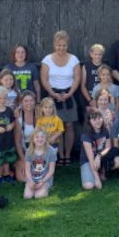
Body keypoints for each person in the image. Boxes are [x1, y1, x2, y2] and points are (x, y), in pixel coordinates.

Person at [40, 30, 81, 166]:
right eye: (58, 45)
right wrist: (52, 93)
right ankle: (59, 154)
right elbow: (44, 79)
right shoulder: (47, 59)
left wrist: (69, 93)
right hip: (53, 96)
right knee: (57, 127)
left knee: (69, 126)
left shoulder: (74, 59)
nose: (61, 48)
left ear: (67, 45)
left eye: (63, 45)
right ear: (54, 45)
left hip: (69, 95)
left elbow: (77, 78)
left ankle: (67, 155)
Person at [80, 109, 113, 190]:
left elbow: (108, 146)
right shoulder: (86, 135)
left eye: (99, 118)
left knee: (117, 161)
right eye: (94, 119)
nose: (97, 121)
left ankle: (102, 171)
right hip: (88, 161)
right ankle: (96, 174)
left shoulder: (105, 130)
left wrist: (99, 156)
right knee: (88, 186)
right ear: (89, 121)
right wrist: (96, 178)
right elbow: (91, 158)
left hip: (101, 158)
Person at [23, 129, 57, 200]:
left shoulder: (51, 152)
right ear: (33, 139)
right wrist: (30, 181)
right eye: (37, 137)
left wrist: (42, 181)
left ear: (46, 139)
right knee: (27, 196)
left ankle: (46, 188)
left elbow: (51, 171)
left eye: (42, 137)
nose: (40, 139)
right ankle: (33, 187)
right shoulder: (29, 151)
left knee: (38, 196)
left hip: (45, 179)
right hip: (32, 178)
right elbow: (27, 170)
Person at [14, 90, 38, 182]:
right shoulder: (18, 117)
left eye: (31, 100)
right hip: (25, 151)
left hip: (38, 150)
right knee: (22, 178)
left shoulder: (39, 114)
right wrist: (23, 159)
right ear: (21, 103)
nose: (29, 103)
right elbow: (17, 141)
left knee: (37, 174)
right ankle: (19, 164)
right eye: (26, 101)